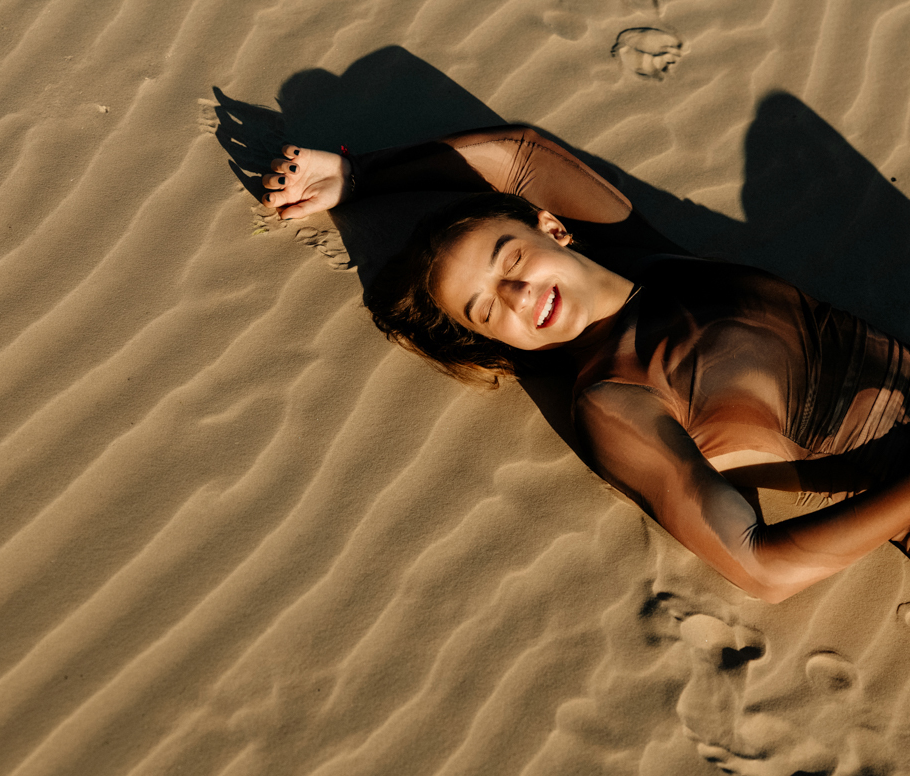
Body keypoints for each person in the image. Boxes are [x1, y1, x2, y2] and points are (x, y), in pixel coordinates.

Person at [258, 125, 910, 604]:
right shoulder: (615, 399)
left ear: (553, 227)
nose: (517, 295)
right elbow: (763, 568)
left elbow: (519, 157)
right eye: (485, 310)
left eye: (512, 259)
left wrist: (360, 176)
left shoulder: (641, 256)